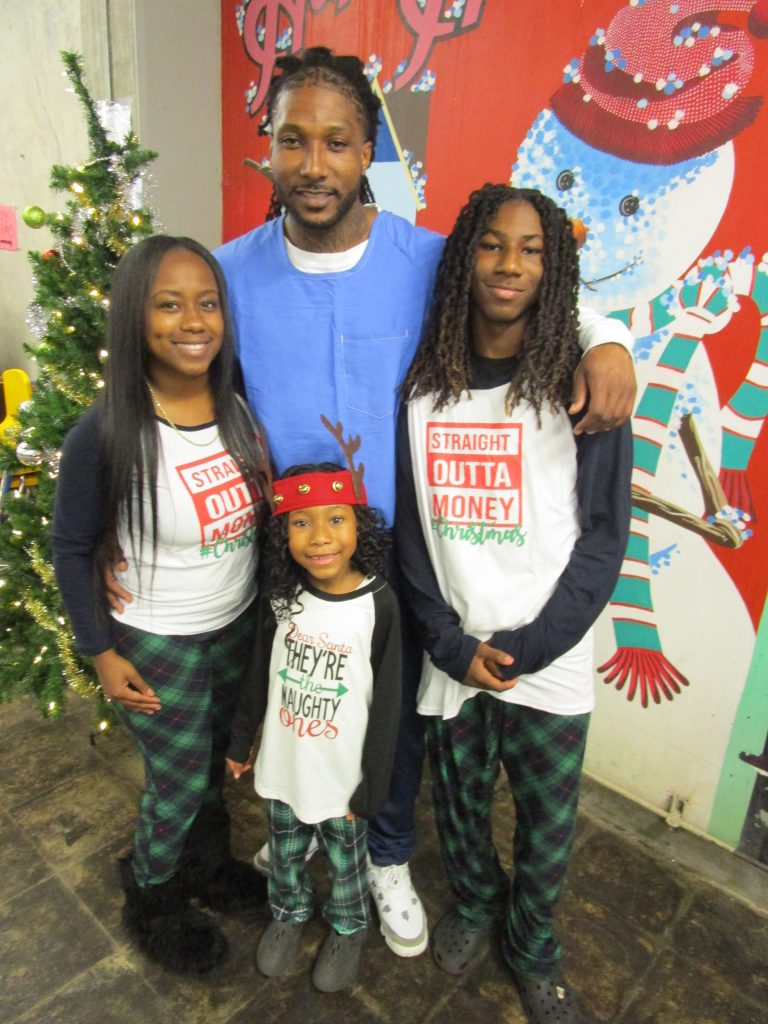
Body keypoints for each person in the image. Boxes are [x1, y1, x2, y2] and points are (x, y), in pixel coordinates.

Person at [112, 46, 637, 958]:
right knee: (288, 710)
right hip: (278, 551)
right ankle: (288, 855)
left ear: (368, 153)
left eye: (337, 142)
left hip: (396, 558)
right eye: (292, 141)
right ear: (268, 149)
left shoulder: (427, 258)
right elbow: (158, 363)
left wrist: (611, 338)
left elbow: (522, 284)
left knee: (388, 722)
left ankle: (387, 857)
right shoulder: (230, 273)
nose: (313, 165)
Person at [396, 184, 632, 1022]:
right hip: (456, 654)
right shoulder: (425, 384)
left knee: (546, 827)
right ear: (466, 257)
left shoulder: (580, 385)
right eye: (493, 245)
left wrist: (533, 646)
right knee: (458, 812)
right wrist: (447, 642)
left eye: (532, 249)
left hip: (549, 661)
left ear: (554, 263)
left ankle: (533, 947)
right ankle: (475, 903)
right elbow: (415, 531)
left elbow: (604, 537)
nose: (509, 265)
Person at [52, 235, 268, 975]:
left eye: (206, 303)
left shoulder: (236, 402)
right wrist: (101, 654)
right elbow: (71, 547)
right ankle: (151, 896)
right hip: (155, 637)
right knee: (175, 788)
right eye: (169, 304)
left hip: (233, 621)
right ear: (135, 319)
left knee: (213, 770)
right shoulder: (108, 430)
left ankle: (209, 868)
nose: (192, 321)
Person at [225, 458, 401, 992]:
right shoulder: (282, 598)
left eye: (335, 520)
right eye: (301, 522)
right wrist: (240, 741)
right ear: (283, 534)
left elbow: (389, 706)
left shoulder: (378, 605)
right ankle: (288, 910)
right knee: (282, 849)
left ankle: (349, 925)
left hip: (342, 778)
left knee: (347, 863)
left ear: (359, 526)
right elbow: (259, 672)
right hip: (284, 765)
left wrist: (371, 787)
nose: (320, 537)